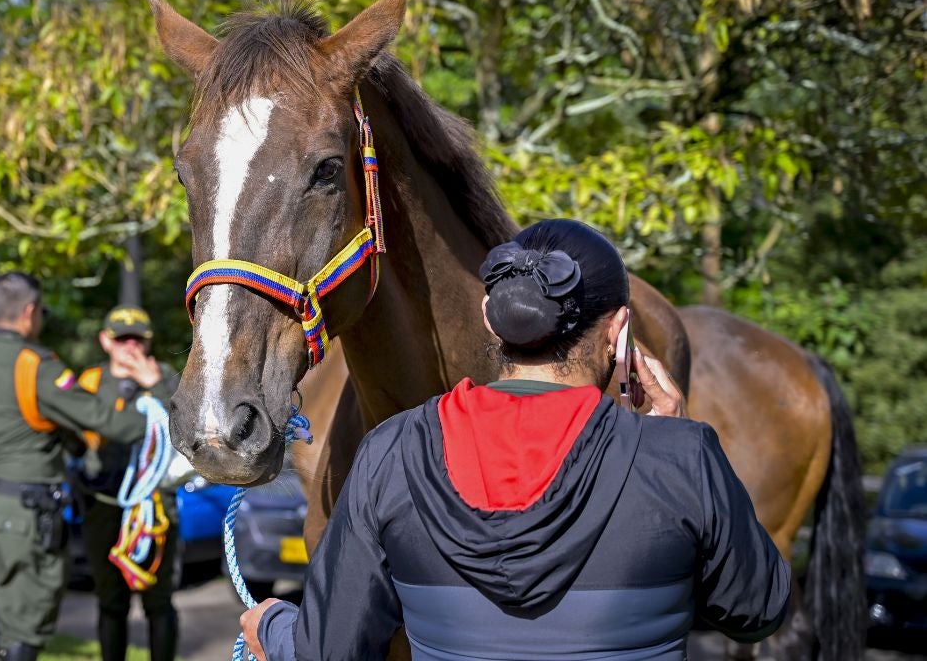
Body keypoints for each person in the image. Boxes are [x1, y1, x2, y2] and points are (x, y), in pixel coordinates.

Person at [240, 219, 791, 661]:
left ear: (490, 319)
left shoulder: (393, 451)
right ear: (620, 332)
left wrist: (274, 624)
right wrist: (676, 441)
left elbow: (332, 648)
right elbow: (759, 608)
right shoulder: (681, 456)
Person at [0, 273, 161, 661]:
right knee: (26, 627)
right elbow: (105, 422)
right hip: (26, 513)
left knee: (10, 619)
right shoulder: (34, 365)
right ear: (29, 313)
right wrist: (158, 417)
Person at [74, 306, 181, 661]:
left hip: (155, 507)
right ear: (106, 340)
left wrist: (155, 386)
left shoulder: (166, 377)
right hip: (103, 506)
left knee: (159, 602)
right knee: (110, 602)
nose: (130, 346)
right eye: (122, 338)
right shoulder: (89, 382)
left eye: (138, 338)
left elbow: (188, 431)